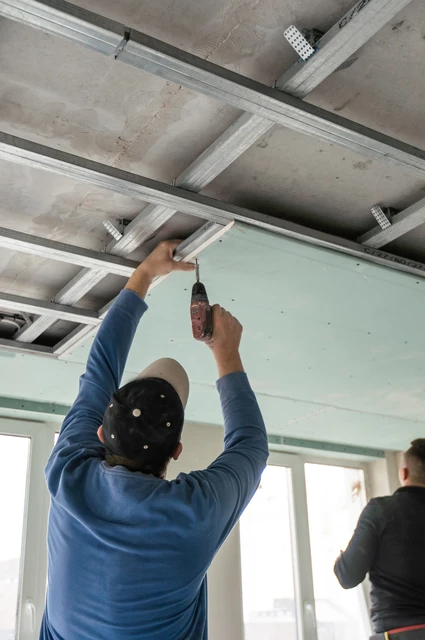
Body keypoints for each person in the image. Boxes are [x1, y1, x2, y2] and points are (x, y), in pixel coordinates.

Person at [41, 239, 268, 640]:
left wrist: (226, 352)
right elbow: (101, 374)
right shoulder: (68, 472)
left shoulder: (69, 474)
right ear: (176, 451)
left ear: (100, 432)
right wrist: (145, 274)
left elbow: (250, 445)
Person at [334, 438, 425, 640]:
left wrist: (340, 558)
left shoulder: (379, 511)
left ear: (404, 472)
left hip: (400, 634)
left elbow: (347, 576)